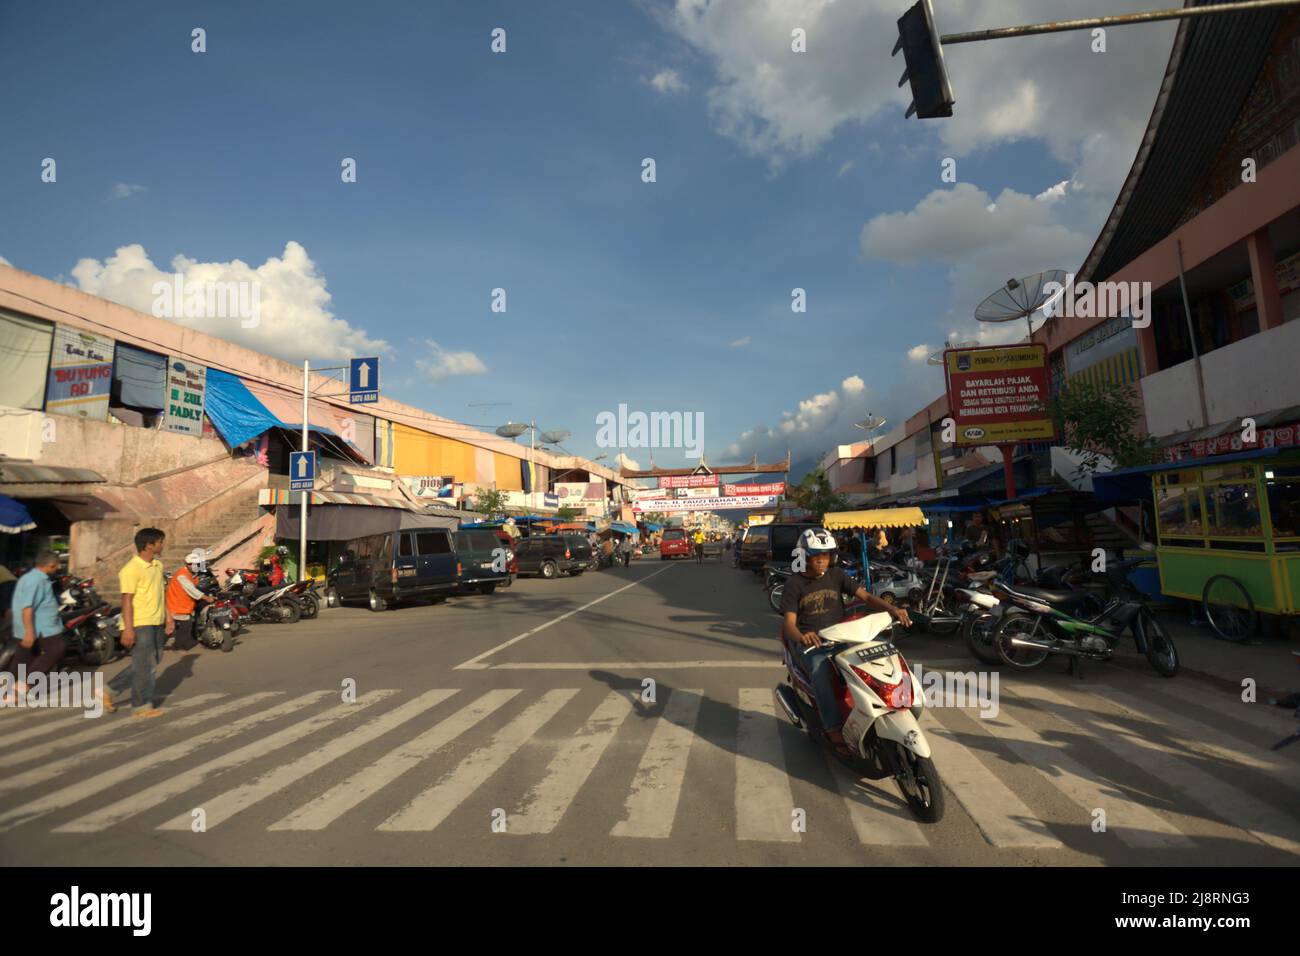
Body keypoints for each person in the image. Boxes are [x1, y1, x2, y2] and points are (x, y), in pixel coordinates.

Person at [780, 528, 910, 751]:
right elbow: (789, 624)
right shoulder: (794, 584)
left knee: (875, 655)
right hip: (811, 643)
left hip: (840, 636)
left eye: (826, 555)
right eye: (816, 555)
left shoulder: (837, 575)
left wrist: (893, 609)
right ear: (805, 556)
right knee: (821, 670)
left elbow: (867, 597)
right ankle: (832, 728)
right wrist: (803, 637)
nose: (822, 560)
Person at [100, 528, 174, 718]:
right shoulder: (131, 569)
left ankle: (107, 691)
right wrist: (128, 629)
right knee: (145, 665)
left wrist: (169, 617)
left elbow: (161, 593)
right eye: (160, 542)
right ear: (149, 545)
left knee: (150, 662)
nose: (163, 545)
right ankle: (141, 707)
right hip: (140, 622)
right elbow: (126, 600)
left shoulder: (158, 565)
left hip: (157, 620)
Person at [4, 551, 66, 703]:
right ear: (51, 565)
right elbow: (27, 607)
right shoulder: (36, 580)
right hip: (42, 627)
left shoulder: (30, 577)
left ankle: (11, 691)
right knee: (56, 649)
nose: (56, 569)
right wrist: (29, 632)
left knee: (24, 658)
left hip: (31, 627)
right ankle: (24, 685)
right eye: (56, 566)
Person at [165, 550, 214, 651]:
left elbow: (195, 584)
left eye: (196, 564)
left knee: (182, 626)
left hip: (182, 604)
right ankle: (178, 645)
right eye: (192, 564)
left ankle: (179, 644)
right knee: (185, 625)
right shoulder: (182, 575)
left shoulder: (189, 573)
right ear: (187, 564)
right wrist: (207, 598)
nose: (194, 566)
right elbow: (192, 590)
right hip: (177, 605)